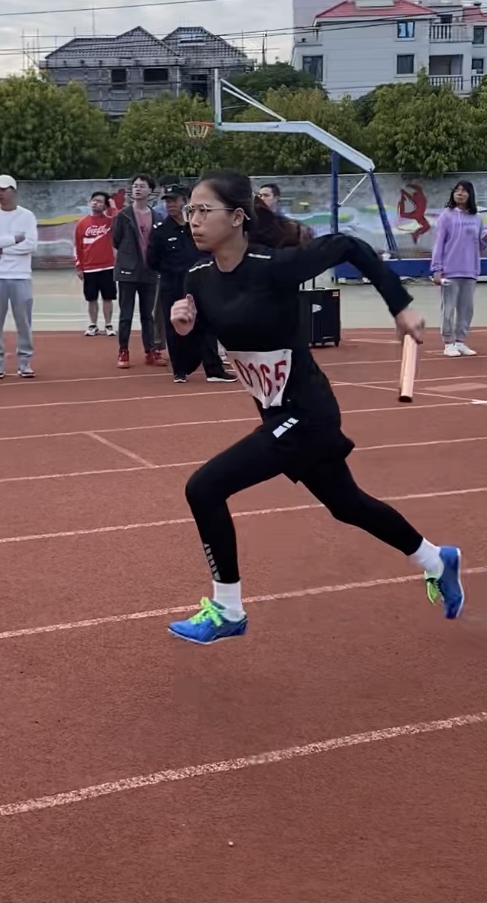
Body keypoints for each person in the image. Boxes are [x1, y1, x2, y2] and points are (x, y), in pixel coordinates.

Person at [166, 169, 463, 645]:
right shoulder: (197, 278)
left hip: (307, 414)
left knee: (204, 488)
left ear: (238, 217)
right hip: (276, 413)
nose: (193, 220)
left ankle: (228, 609)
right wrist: (181, 329)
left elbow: (349, 246)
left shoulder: (274, 267)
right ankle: (436, 559)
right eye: (190, 211)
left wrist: (401, 306)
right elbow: (188, 360)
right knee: (347, 505)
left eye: (204, 210)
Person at [148, 183, 237, 385]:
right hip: (173, 286)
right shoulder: (161, 231)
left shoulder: (196, 227)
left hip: (200, 285)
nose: (170, 205)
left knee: (207, 324)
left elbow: (207, 251)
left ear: (185, 201)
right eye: (167, 201)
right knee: (174, 327)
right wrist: (173, 272)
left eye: (174, 200)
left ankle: (214, 370)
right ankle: (179, 370)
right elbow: (152, 261)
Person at [0, 175, 38, 379]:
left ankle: (25, 361)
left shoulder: (27, 216)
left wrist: (2, 248)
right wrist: (14, 239)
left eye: (2, 189)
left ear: (13, 190)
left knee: (23, 321)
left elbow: (30, 245)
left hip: (21, 275)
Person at [112, 173, 165, 369]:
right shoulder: (123, 215)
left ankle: (150, 350)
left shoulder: (157, 216)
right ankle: (123, 350)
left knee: (147, 315)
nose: (137, 189)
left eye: (142, 186)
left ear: (150, 191)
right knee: (126, 314)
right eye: (135, 186)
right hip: (128, 270)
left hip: (149, 271)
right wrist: (128, 258)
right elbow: (116, 240)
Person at [430, 180, 485, 357]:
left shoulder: (477, 218)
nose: (460, 194)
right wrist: (437, 269)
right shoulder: (446, 216)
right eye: (457, 190)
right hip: (450, 270)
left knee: (467, 309)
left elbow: (479, 245)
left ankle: (460, 341)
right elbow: (439, 243)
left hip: (470, 270)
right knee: (448, 308)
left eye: (464, 191)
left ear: (470, 194)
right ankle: (448, 343)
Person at [74, 191, 117, 337]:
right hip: (89, 268)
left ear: (105, 205)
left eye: (99, 201)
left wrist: (112, 206)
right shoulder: (82, 223)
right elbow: (77, 246)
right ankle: (93, 325)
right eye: (94, 200)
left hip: (107, 266)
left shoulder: (109, 221)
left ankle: (108, 325)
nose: (95, 203)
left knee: (108, 297)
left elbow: (119, 220)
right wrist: (79, 267)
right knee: (91, 298)